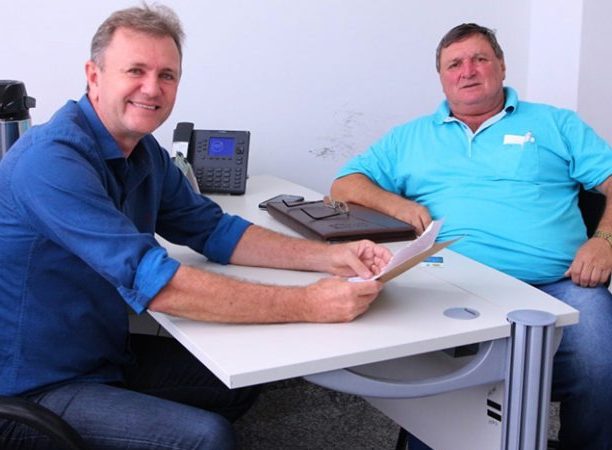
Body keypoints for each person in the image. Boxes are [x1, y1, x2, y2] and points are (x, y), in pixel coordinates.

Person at [0, 4, 392, 450]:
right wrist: (310, 303)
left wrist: (330, 257)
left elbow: (213, 230)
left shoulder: (143, 152)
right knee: (206, 438)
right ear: (94, 76)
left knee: (240, 382)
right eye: (135, 70)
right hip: (33, 387)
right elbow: (160, 286)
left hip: (100, 353)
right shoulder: (50, 162)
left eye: (167, 75)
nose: (152, 88)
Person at [331, 23, 612, 450]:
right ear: (441, 77)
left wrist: (605, 240)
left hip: (557, 286)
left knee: (602, 363)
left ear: (501, 66)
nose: (468, 71)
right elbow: (344, 185)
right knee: (433, 375)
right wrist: (398, 205)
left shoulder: (556, 124)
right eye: (454, 64)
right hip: (447, 283)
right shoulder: (411, 137)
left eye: (480, 59)